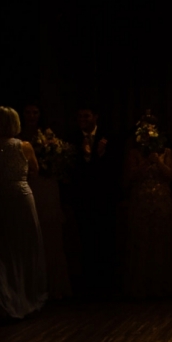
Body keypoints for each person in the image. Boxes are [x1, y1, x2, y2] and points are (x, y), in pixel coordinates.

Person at [0, 107, 46, 319]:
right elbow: (35, 170)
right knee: (24, 247)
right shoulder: (24, 146)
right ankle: (26, 295)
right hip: (19, 197)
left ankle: (1, 296)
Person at [20, 103, 72, 300]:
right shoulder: (19, 137)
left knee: (51, 232)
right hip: (31, 184)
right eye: (28, 112)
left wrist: (50, 162)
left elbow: (58, 161)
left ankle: (55, 284)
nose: (32, 116)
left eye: (35, 112)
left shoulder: (48, 135)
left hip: (47, 185)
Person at [122, 113, 172, 298]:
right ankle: (141, 286)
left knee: (161, 240)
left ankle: (162, 285)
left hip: (161, 199)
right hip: (141, 200)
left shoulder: (167, 152)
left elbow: (169, 175)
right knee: (141, 241)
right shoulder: (134, 153)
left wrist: (158, 160)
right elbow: (130, 176)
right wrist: (146, 162)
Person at [69, 105, 118, 297]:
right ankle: (89, 285)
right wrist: (87, 156)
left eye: (86, 115)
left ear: (95, 117)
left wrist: (100, 155)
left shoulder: (108, 137)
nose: (83, 119)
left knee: (106, 241)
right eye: (80, 115)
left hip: (104, 199)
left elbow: (114, 168)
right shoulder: (73, 139)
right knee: (86, 242)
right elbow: (74, 171)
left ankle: (108, 285)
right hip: (84, 200)